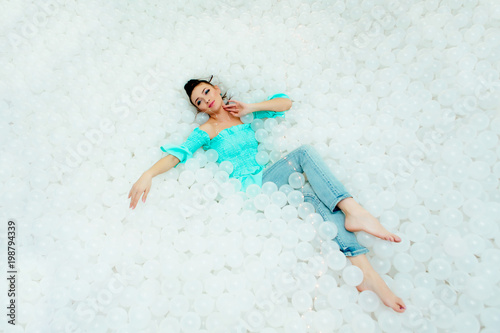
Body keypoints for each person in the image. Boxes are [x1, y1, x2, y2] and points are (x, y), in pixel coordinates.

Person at [128, 76, 406, 312]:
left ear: (216, 89)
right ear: (198, 109)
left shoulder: (241, 112)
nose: (205, 100)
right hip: (251, 192)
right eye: (199, 101)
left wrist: (250, 107)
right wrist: (148, 174)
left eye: (206, 92)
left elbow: (285, 103)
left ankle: (366, 274)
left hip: (271, 183)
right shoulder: (206, 130)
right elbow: (179, 154)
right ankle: (354, 210)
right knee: (304, 153)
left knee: (318, 202)